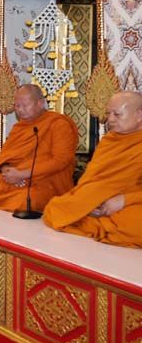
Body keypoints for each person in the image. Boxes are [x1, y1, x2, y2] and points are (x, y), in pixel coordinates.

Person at [43, 91, 142, 247]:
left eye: (117, 114)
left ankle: (95, 225)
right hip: (96, 203)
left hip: (128, 204)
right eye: (108, 114)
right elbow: (91, 178)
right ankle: (102, 224)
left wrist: (123, 200)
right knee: (54, 208)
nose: (110, 119)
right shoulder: (109, 141)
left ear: (139, 115)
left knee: (136, 224)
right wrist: (89, 203)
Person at [0, 84, 77, 212]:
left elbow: (60, 161)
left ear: (40, 103)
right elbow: (5, 157)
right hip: (13, 179)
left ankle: (3, 200)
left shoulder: (59, 124)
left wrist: (23, 174)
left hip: (44, 183)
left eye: (25, 105)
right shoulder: (20, 127)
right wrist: (7, 171)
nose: (20, 110)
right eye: (17, 106)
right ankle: (3, 200)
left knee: (25, 201)